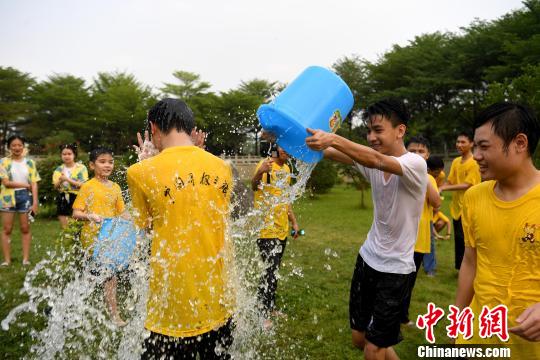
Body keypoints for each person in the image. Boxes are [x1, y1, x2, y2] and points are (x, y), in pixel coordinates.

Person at [305, 98, 427, 360]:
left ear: (400, 130)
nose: (371, 137)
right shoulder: (370, 161)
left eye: (378, 130)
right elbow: (326, 151)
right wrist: (290, 135)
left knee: (374, 348)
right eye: (368, 131)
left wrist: (334, 139)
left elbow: (373, 159)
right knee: (361, 339)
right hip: (368, 259)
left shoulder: (415, 164)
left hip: (395, 271)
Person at [127, 98, 235, 359]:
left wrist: (148, 162)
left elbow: (147, 229)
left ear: (153, 128)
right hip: (219, 301)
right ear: (190, 127)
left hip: (170, 308)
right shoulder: (222, 168)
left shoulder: (139, 172)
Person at [455, 102, 540, 358]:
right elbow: (470, 262)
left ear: (520, 143)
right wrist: (458, 321)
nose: (476, 154)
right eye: (475, 146)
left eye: (483, 146)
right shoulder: (474, 197)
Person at [72, 147, 126, 326]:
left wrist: (136, 222)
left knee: (108, 276)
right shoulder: (88, 186)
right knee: (96, 277)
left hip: (109, 238)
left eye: (110, 161)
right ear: (92, 165)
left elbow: (122, 213)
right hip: (92, 239)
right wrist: (90, 216)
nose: (107, 165)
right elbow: (76, 212)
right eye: (102, 161)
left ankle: (113, 314)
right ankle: (69, 308)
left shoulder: (116, 187)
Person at [252, 144, 300, 328]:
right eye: (284, 148)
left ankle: (269, 307)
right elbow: (254, 186)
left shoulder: (287, 169)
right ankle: (262, 313)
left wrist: (293, 222)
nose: (287, 151)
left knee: (274, 271)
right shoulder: (266, 165)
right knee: (269, 271)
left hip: (281, 229)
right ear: (275, 149)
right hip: (266, 230)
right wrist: (259, 172)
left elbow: (285, 199)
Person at [401, 136, 441, 325]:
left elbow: (436, 203)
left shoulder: (430, 178)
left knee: (409, 281)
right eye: (412, 151)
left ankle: (402, 315)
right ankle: (389, 316)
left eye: (421, 151)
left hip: (419, 239)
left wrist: (422, 176)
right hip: (400, 236)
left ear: (428, 155)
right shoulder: (399, 172)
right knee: (396, 280)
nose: (417, 155)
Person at [439, 131, 480, 270]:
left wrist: (443, 189)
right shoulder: (456, 162)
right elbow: (450, 181)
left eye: (463, 142)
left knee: (468, 240)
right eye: (458, 142)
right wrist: (437, 186)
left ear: (471, 144)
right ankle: (460, 268)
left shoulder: (474, 162)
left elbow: (467, 184)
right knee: (458, 239)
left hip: (470, 207)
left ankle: (470, 268)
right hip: (457, 207)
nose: (459, 145)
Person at [0, 135, 40, 266]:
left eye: (19, 145)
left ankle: (26, 259)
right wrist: (25, 185)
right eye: (14, 145)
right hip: (7, 197)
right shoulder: (3, 162)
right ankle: (7, 260)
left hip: (25, 198)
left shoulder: (30, 163)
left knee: (25, 228)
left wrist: (35, 202)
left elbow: (34, 183)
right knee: (7, 229)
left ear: (23, 147)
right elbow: (6, 182)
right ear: (9, 147)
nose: (17, 148)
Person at [52, 144, 88, 229]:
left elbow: (83, 185)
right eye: (64, 154)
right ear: (61, 155)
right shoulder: (58, 170)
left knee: (78, 224)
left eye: (69, 154)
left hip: (77, 197)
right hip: (62, 197)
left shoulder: (81, 168)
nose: (66, 156)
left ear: (74, 155)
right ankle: (67, 235)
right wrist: (60, 180)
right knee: (65, 227)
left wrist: (67, 179)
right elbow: (55, 187)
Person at [426, 156, 452, 240]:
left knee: (433, 215)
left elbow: (439, 186)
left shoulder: (441, 175)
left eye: (440, 171)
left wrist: (438, 194)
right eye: (437, 172)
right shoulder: (424, 175)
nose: (439, 174)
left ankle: (432, 235)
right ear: (428, 169)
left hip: (434, 198)